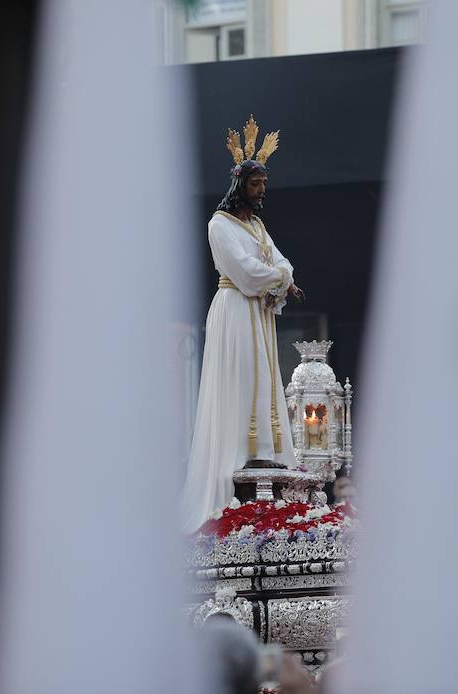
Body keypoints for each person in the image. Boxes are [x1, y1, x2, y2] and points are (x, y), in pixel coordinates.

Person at [178, 118, 303, 534]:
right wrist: (281, 278)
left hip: (259, 314)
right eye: (256, 185)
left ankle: (263, 452)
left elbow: (281, 261)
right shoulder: (220, 225)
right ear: (240, 185)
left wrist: (281, 275)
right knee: (242, 378)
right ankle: (237, 455)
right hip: (235, 309)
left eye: (264, 184)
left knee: (264, 378)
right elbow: (248, 272)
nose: (262, 191)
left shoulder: (257, 226)